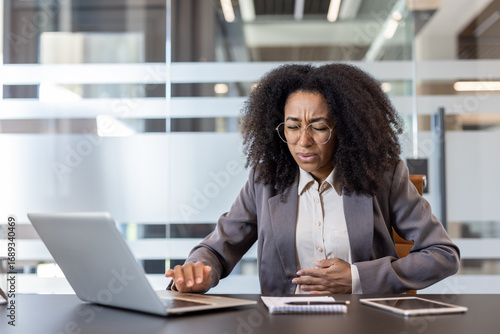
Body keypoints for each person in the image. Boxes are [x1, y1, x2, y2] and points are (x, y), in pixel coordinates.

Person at [165, 63, 460, 295]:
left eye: (318, 127)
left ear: (345, 128)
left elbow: (443, 254)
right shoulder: (264, 181)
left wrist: (357, 278)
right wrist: (197, 270)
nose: (303, 141)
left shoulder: (384, 177)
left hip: (367, 323)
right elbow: (217, 249)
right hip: (283, 325)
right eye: (292, 127)